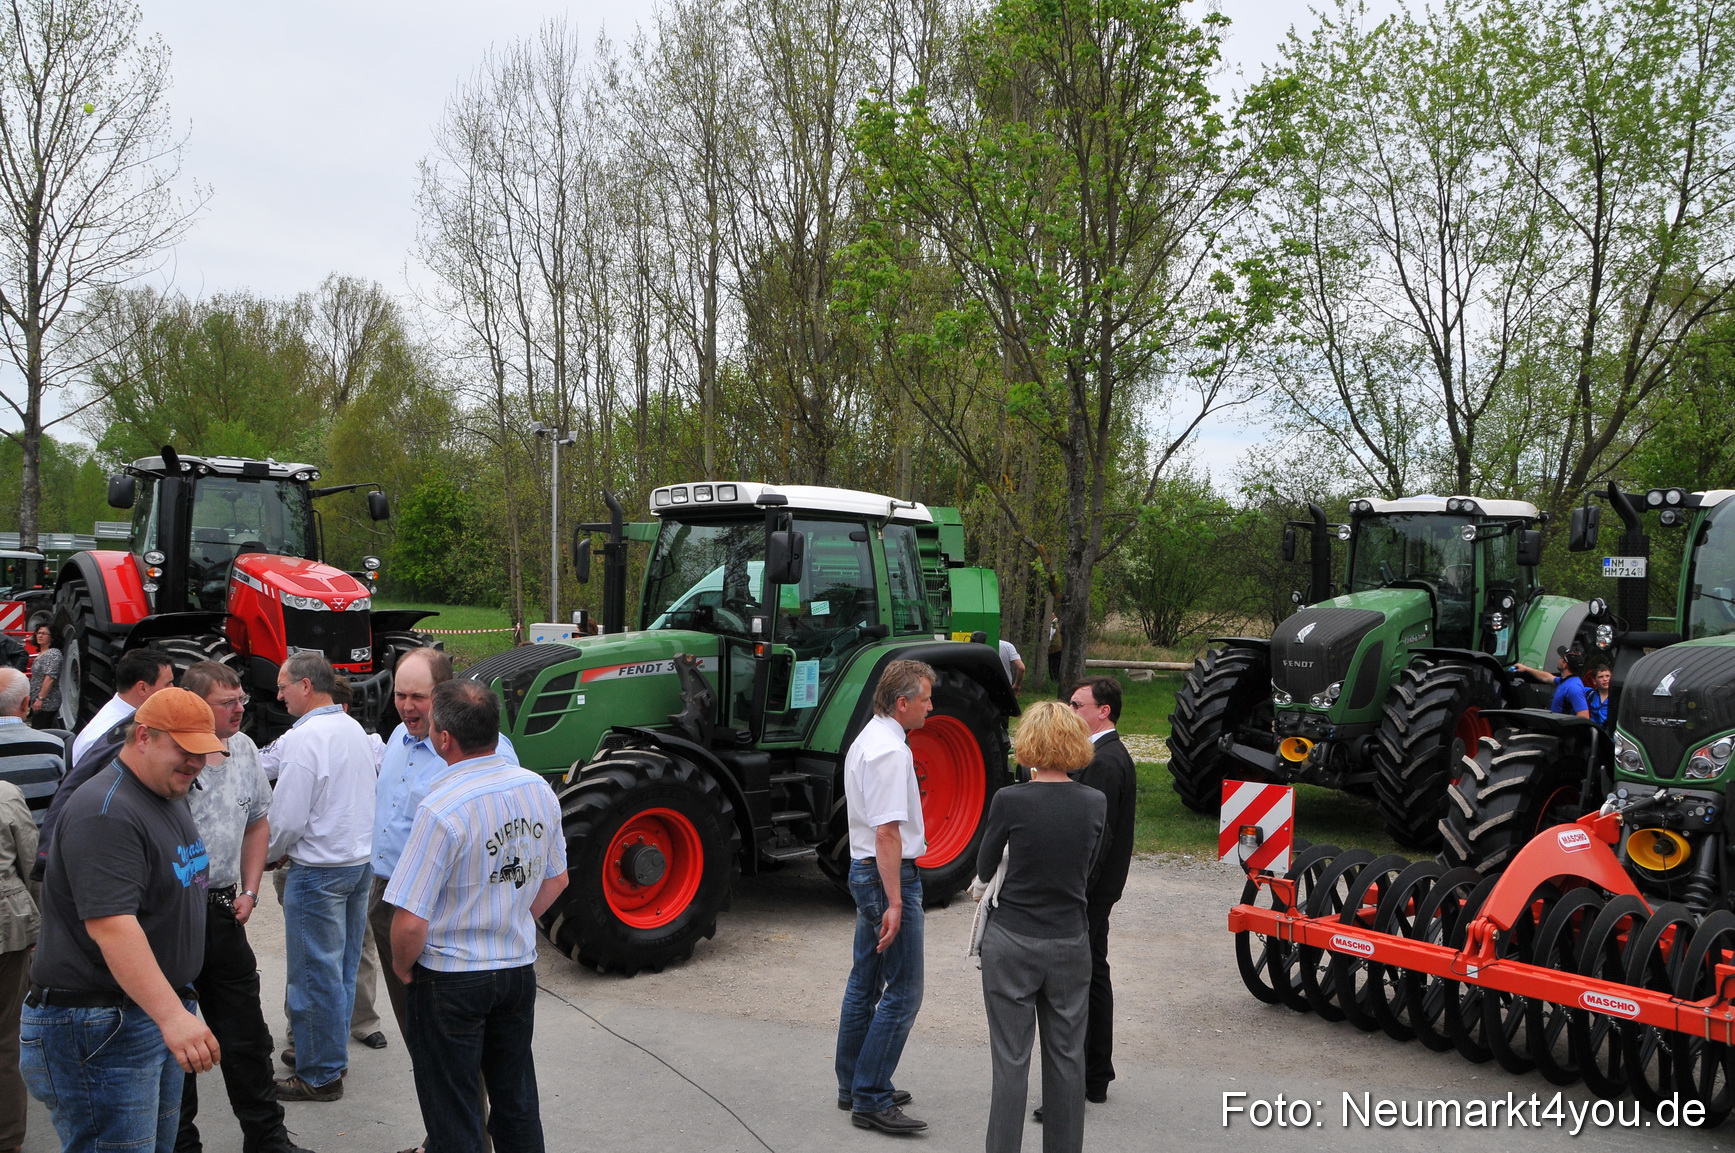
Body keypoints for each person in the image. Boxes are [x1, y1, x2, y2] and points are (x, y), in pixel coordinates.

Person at [20, 688, 223, 1152]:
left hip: (142, 1012)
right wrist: (172, 1016)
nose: (196, 763)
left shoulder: (164, 791)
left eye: (203, 752)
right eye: (185, 749)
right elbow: (111, 926)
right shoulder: (106, 810)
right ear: (144, 737)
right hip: (101, 1023)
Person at [385, 679, 566, 1153]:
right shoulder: (537, 789)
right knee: (516, 1099)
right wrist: (510, 916)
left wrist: (403, 966)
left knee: (455, 1109)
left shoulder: (441, 808)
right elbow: (557, 879)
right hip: (516, 969)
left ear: (444, 738)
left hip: (452, 976)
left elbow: (410, 919)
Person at [370, 649, 520, 1152]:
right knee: (423, 1041)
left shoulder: (484, 752)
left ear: (446, 697)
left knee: (454, 1045)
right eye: (399, 695)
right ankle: (447, 1136)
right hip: (389, 899)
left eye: (418, 697)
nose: (406, 707)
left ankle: (463, 1141)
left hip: (438, 912)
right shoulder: (398, 739)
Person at [176, 661, 311, 1153]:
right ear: (196, 706)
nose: (238, 709)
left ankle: (268, 1139)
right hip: (173, 917)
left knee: (247, 1036)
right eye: (226, 703)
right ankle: (181, 1143)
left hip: (221, 910)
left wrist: (250, 890)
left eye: (241, 700)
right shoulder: (174, 759)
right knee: (180, 1041)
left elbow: (258, 821)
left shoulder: (245, 749)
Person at [975, 700, 1105, 1153]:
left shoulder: (1009, 800)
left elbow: (985, 866)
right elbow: (1088, 868)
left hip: (1011, 938)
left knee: (1010, 1060)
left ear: (1028, 743)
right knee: (1067, 1058)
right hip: (1069, 938)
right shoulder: (1095, 802)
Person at [267, 652, 376, 1103]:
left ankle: (320, 1073)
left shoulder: (304, 739)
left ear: (306, 686)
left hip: (319, 871)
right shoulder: (353, 730)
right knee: (340, 970)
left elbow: (287, 818)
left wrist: (267, 856)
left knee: (314, 976)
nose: (279, 695)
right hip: (357, 865)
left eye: (283, 686)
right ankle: (326, 1053)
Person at [835, 659, 934, 1135]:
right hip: (886, 876)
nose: (931, 707)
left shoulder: (868, 738)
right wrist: (895, 902)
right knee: (905, 990)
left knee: (866, 981)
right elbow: (888, 832)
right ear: (902, 703)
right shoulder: (892, 752)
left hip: (866, 870)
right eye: (926, 699)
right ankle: (871, 1095)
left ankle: (854, 1083)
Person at [1065, 677, 1136, 1106]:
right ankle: (1094, 1076)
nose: (1071, 711)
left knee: (1081, 981)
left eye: (1077, 705)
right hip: (1095, 889)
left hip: (1090, 891)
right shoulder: (1101, 755)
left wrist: (1078, 889)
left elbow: (1099, 836)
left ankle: (1084, 1077)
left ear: (1102, 711)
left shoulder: (1106, 761)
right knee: (1091, 975)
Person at [0, 759, 37, 1152]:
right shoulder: (6, 794)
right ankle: (7, 1139)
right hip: (6, 925)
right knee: (5, 1039)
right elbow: (31, 864)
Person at [69, 647, 174, 765]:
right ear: (142, 688)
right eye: (168, 684)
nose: (173, 689)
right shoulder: (104, 739)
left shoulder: (128, 720)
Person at [26, 624, 59, 730]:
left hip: (47, 702)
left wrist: (40, 699)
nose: (40, 636)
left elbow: (50, 678)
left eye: (44, 634)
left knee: (41, 729)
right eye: (38, 633)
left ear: (52, 637)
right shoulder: (42, 653)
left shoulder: (53, 654)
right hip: (37, 701)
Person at [1588, 662, 1613, 727]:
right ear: (1594, 681)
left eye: (1607, 676)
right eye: (1600, 677)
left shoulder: (1617, 698)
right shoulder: (1590, 695)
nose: (1605, 679)